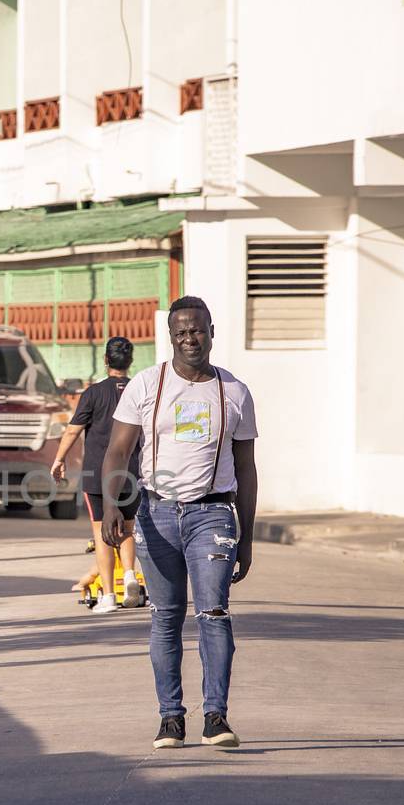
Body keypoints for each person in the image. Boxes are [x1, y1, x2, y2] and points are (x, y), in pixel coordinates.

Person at [101, 296, 258, 751]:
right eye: (182, 333)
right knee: (166, 618)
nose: (191, 339)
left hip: (213, 512)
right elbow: (117, 450)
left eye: (198, 330)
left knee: (213, 612)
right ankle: (171, 718)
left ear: (212, 331)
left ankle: (216, 716)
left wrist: (245, 537)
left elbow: (246, 468)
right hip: (157, 512)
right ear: (171, 338)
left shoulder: (235, 392)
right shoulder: (148, 385)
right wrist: (114, 504)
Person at [51, 337, 143, 614]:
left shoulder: (93, 393)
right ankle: (128, 575)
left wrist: (59, 459)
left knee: (102, 532)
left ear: (106, 360)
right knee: (127, 528)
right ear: (130, 362)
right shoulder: (139, 390)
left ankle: (109, 597)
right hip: (132, 470)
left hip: (97, 474)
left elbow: (72, 430)